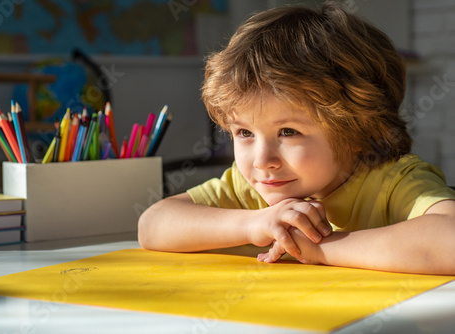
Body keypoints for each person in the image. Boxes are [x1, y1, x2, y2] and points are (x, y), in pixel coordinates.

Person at [138, 1, 455, 275]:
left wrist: (321, 250)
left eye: (288, 132)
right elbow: (152, 224)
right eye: (244, 133)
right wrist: (255, 223)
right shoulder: (253, 188)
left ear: (358, 131)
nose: (263, 161)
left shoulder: (393, 181)